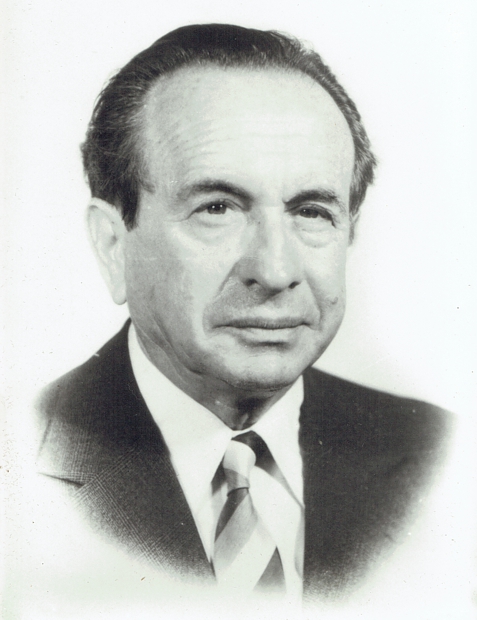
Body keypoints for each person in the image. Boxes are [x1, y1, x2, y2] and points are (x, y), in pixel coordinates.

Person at [35, 23, 449, 607]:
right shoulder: (19, 470)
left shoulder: (446, 460)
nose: (275, 271)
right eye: (218, 208)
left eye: (311, 211)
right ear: (113, 245)